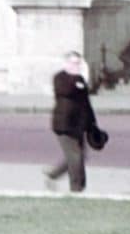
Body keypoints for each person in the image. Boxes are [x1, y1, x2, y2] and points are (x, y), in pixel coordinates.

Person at [41, 50, 105, 194]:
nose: (76, 65)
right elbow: (66, 91)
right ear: (66, 63)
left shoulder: (80, 80)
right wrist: (76, 78)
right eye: (73, 62)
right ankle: (77, 189)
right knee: (76, 156)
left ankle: (53, 175)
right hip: (64, 125)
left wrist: (92, 124)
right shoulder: (60, 78)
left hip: (79, 125)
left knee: (78, 155)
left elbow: (86, 103)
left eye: (78, 63)